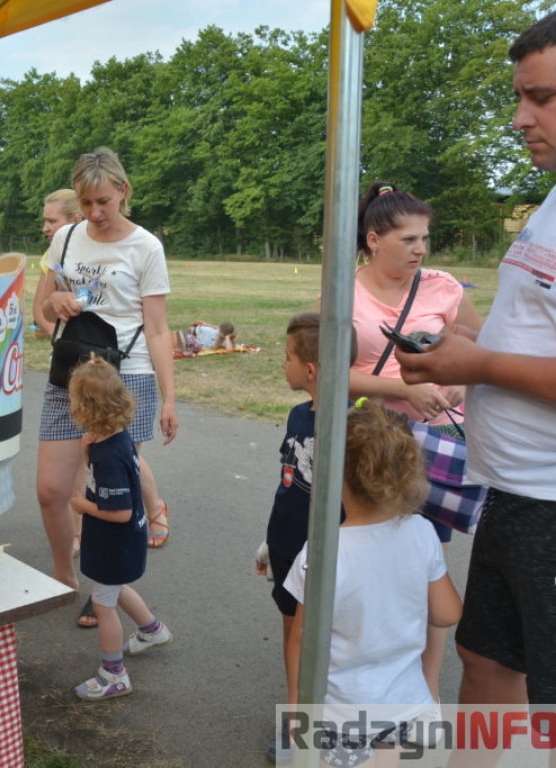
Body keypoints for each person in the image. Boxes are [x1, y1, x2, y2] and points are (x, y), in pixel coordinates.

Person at [396, 14, 556, 765]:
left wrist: (481, 368)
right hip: (516, 492)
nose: (521, 118)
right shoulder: (550, 204)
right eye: (521, 97)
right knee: (488, 659)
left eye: (543, 98)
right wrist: (470, 347)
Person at [341, 180, 481, 709]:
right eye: (408, 239)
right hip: (368, 442)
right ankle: (349, 687)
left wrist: (455, 385)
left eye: (425, 238)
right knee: (362, 563)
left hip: (435, 447)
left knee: (424, 566)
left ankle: (423, 692)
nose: (421, 249)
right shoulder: (342, 289)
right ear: (374, 239)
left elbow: (478, 349)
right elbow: (331, 375)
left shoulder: (444, 287)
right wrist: (403, 388)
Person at [37, 147, 177, 629]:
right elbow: (41, 315)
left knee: (108, 494)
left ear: (124, 191)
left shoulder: (146, 248)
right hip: (70, 375)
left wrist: (169, 399)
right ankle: (63, 577)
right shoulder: (67, 238)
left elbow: (158, 329)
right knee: (51, 490)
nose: (95, 214)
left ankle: (103, 587)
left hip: (125, 378)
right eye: (86, 203)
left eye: (103, 202)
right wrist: (55, 302)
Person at [284, 401, 462, 766]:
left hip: (342, 712)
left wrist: (296, 704)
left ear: (336, 473)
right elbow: (446, 613)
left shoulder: (324, 551)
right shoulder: (422, 531)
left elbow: (301, 638)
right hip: (405, 705)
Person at [256, 312, 355, 762]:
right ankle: (297, 716)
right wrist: (267, 539)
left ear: (310, 370)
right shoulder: (298, 415)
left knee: (318, 640)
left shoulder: (350, 428)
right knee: (290, 634)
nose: (282, 365)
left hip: (326, 556)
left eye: (287, 358)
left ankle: (308, 730)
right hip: (285, 546)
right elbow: (288, 479)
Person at [67, 356, 172, 701]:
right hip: (121, 542)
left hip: (116, 539)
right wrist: (85, 456)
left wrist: (81, 505)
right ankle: (152, 630)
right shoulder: (115, 439)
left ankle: (114, 675)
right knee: (114, 586)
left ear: (88, 408)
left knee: (102, 603)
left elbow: (120, 512)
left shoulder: (109, 454)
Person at [32, 189, 83, 339]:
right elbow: (39, 307)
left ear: (76, 221)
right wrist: (57, 335)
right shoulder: (51, 254)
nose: (45, 228)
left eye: (52, 221)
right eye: (45, 221)